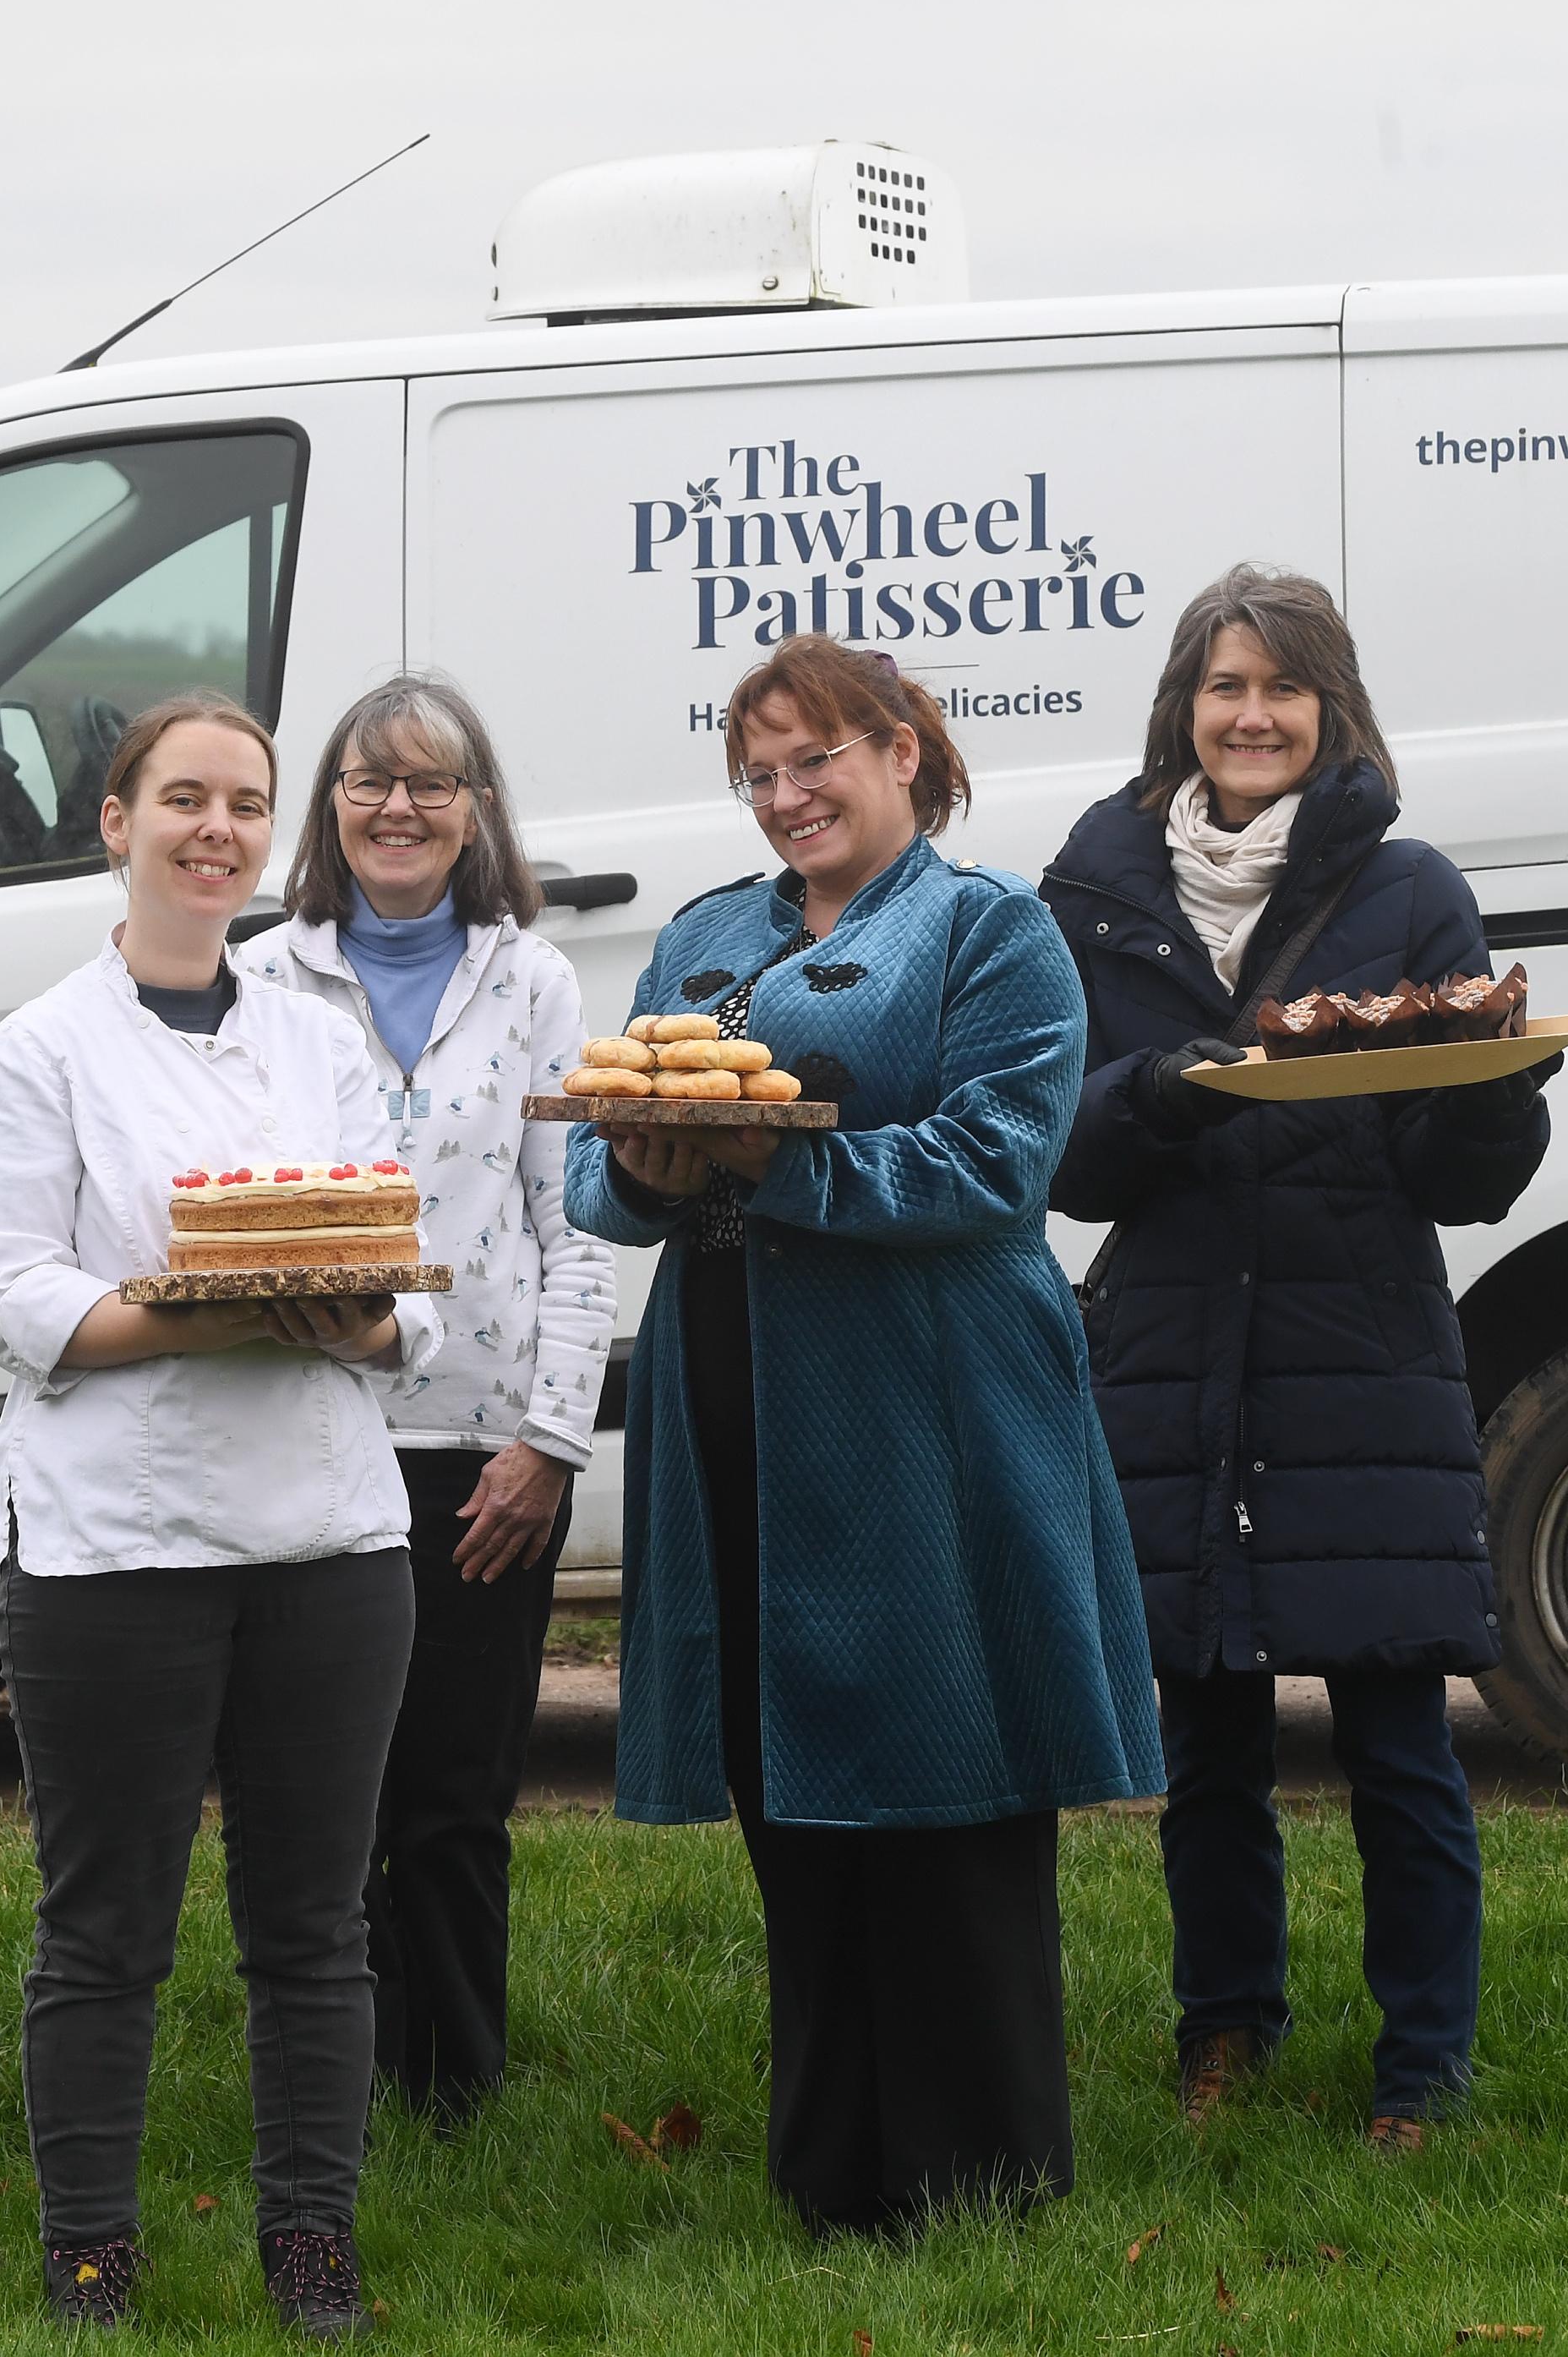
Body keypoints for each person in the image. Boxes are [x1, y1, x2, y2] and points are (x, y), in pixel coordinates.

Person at [563, 633, 1161, 2237]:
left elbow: (993, 1166)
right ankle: (833, 2175)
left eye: (816, 757)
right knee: (791, 1776)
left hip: (928, 1407)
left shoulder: (992, 932)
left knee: (946, 1771)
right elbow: (589, 1180)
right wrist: (652, 1172)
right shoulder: (698, 943)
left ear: (906, 750)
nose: (784, 795)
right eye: (758, 771)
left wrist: (772, 1171)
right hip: (734, 1400)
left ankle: (977, 2176)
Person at [1041, 565, 1554, 2152]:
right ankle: (1226, 2031)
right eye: (1223, 686)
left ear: (1329, 715)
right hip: (1177, 1357)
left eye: (1281, 689)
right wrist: (1164, 1093)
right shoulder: (1094, 890)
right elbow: (1063, 1153)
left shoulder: (1405, 887)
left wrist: (1481, 1092)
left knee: (1400, 1738)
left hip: (1359, 1349)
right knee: (1206, 1746)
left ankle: (1422, 2070)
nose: (1249, 716)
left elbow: (1467, 1172)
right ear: (1180, 710)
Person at [0, 693, 438, 2338]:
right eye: (182, 798)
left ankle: (311, 2240)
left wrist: (355, 1317)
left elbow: (398, 1297)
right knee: (104, 1928)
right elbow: (9, 1298)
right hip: (112, 1550)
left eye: (242, 802)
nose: (214, 828)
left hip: (326, 1541)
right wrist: (220, 1313)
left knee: (314, 1927)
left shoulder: (319, 1036)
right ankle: (87, 2245)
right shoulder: (33, 1053)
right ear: (115, 820)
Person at [234, 674, 619, 2124]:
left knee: (454, 1794)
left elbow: (573, 1222)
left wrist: (550, 1441)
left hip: (478, 1451)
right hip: (303, 1438)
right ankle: (321, 2073)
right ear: (329, 810)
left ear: (475, 814)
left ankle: (452, 2086)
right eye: (368, 782)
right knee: (317, 1797)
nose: (398, 808)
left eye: (430, 785)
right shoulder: (260, 978)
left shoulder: (532, 982)